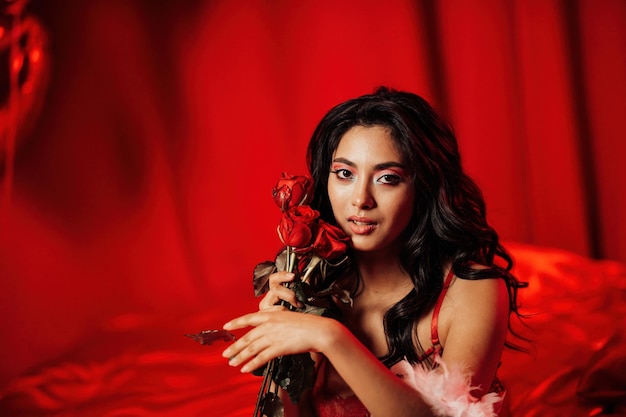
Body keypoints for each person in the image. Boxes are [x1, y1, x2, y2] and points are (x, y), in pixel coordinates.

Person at [221, 87, 526, 417]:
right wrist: (287, 360)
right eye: (344, 174)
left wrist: (332, 339)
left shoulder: (472, 291)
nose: (360, 199)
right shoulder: (316, 284)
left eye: (387, 178)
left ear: (423, 187)